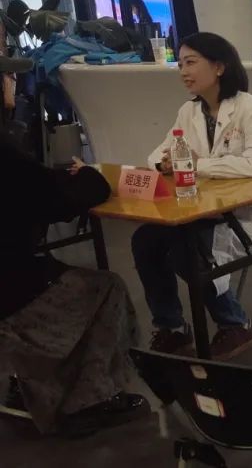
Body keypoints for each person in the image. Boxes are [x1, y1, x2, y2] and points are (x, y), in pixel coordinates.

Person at [132, 32, 252, 360]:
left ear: (219, 67)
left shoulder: (251, 109)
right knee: (145, 239)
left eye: (191, 62)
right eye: (180, 64)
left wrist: (198, 165)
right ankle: (172, 328)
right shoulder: (189, 112)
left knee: (187, 250)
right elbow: (158, 154)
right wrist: (164, 163)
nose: (183, 72)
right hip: (206, 209)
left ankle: (235, 324)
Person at [0, 138, 146, 436]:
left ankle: (27, 387)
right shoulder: (8, 160)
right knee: (107, 288)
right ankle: (88, 402)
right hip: (10, 297)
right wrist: (88, 173)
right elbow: (73, 196)